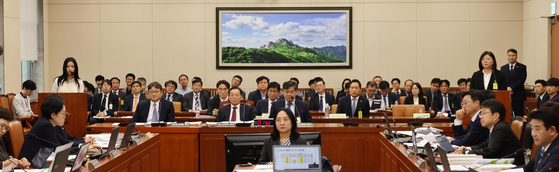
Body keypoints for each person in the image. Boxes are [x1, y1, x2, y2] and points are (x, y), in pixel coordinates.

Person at [19, 94, 102, 166]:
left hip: (38, 162)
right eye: (63, 113)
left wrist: (83, 146)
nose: (65, 116)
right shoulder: (45, 125)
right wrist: (85, 149)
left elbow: (62, 141)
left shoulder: (50, 123)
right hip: (28, 165)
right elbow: (59, 149)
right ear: (53, 115)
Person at [454, 99, 523, 164]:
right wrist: (468, 148)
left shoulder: (500, 129)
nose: (480, 117)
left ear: (496, 115)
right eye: (480, 114)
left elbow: (490, 152)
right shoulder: (498, 127)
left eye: (484, 113)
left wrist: (465, 152)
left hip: (510, 167)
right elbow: (485, 145)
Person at [519, 108, 559, 172]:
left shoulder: (557, 150)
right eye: (532, 128)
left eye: (537, 129)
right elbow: (527, 168)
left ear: (552, 130)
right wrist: (508, 170)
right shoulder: (542, 147)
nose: (533, 134)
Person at [500, 49, 527, 117]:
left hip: (518, 94)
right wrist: (507, 89)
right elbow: (502, 80)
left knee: (519, 115)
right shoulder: (503, 68)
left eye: (513, 55)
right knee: (506, 114)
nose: (511, 57)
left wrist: (512, 88)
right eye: (510, 55)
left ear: (516, 56)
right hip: (506, 94)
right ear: (507, 56)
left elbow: (521, 80)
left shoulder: (522, 67)